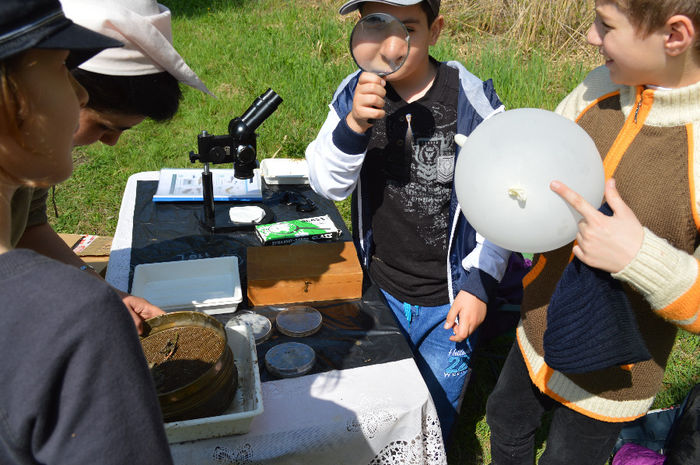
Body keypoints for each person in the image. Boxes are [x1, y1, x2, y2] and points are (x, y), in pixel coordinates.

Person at [484, 1, 700, 464]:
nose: (588, 36)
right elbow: (544, 163)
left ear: (675, 35)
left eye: (606, 24)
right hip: (537, 326)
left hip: (612, 375)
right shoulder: (595, 88)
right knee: (504, 416)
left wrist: (637, 255)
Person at [305, 0, 525, 442]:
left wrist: (480, 283)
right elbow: (327, 185)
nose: (390, 44)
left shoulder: (469, 99)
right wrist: (351, 127)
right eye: (374, 25)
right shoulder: (353, 93)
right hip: (379, 289)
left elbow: (504, 202)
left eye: (407, 29)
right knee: (375, 407)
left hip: (450, 300)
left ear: (436, 29)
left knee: (434, 415)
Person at [0, 0, 174, 463]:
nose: (78, 94)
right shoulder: (75, 326)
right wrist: (85, 304)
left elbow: (30, 225)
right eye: (61, 67)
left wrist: (93, 289)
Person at [11, 0, 212, 333]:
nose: (111, 142)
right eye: (105, 126)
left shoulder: (33, 150)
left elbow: (30, 227)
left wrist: (96, 288)